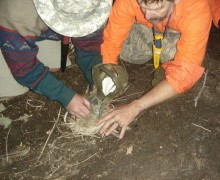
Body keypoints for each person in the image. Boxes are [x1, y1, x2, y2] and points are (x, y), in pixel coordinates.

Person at [96, 0, 212, 138]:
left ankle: (194, 52)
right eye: (143, 7)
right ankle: (155, 42)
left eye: (157, 9)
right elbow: (111, 42)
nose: (148, 15)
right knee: (130, 53)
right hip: (147, 28)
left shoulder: (196, 8)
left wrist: (136, 106)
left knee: (172, 59)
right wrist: (104, 86)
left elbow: (182, 77)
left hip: (177, 28)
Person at [0, 0, 113, 118]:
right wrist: (67, 97)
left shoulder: (91, 4)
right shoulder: (17, 12)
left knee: (54, 65)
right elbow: (24, 69)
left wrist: (96, 79)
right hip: (9, 27)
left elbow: (89, 46)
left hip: (32, 27)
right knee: (16, 89)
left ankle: (31, 37)